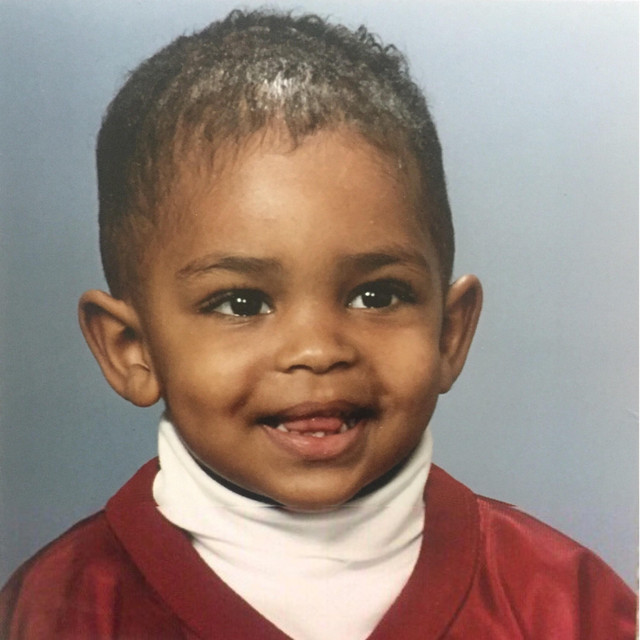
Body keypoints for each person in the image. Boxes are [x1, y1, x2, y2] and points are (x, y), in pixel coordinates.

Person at [0, 9, 635, 639]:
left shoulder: (567, 606)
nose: (318, 349)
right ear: (131, 349)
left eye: (376, 295)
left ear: (450, 332)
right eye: (241, 304)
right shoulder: (57, 612)